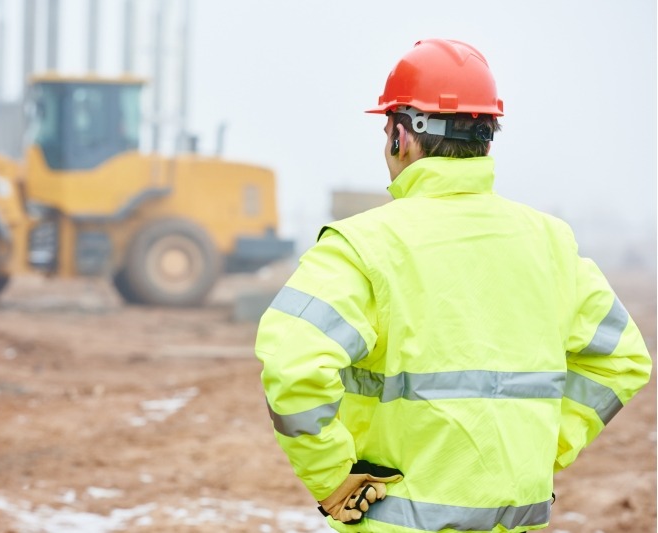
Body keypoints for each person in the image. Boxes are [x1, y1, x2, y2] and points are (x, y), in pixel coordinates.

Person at [254, 39, 652, 533]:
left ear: (402, 136)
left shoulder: (362, 246)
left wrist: (334, 478)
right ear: (486, 139)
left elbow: (293, 366)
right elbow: (621, 358)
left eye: (386, 131)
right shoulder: (550, 243)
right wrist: (544, 448)